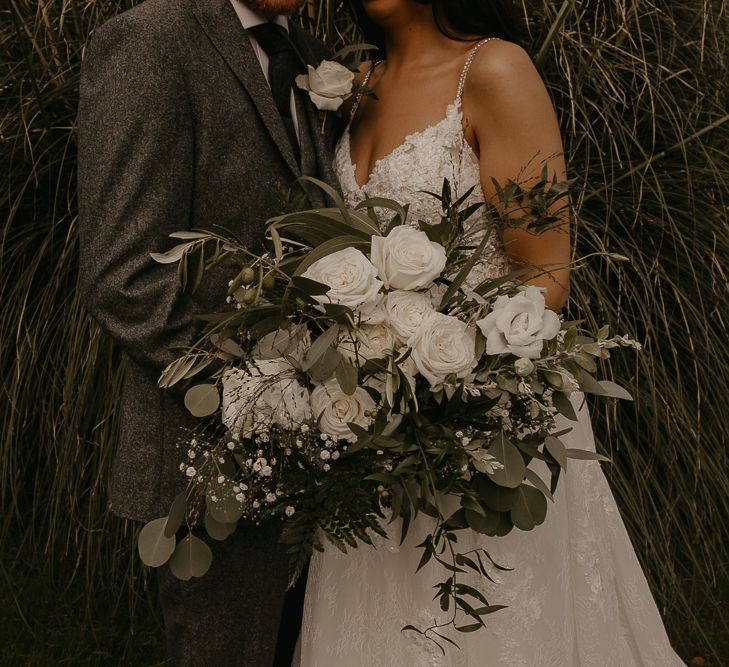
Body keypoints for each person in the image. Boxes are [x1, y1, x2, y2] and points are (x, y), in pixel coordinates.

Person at [296, 1, 687, 664]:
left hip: (489, 417)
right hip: (371, 423)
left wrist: (448, 372)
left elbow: (546, 273)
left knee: (488, 620)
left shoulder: (493, 69)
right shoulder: (353, 86)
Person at [76, 0, 339, 664]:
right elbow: (123, 276)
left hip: (318, 461)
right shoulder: (151, 42)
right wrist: (253, 395)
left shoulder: (305, 50)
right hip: (206, 457)